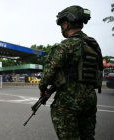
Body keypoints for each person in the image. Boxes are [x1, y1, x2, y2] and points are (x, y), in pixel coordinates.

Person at [39, 6, 103, 139]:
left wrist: (43, 89)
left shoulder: (65, 46)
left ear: (66, 24)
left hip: (68, 102)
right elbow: (99, 69)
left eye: (61, 25)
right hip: (90, 100)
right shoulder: (93, 44)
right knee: (88, 137)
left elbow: (47, 74)